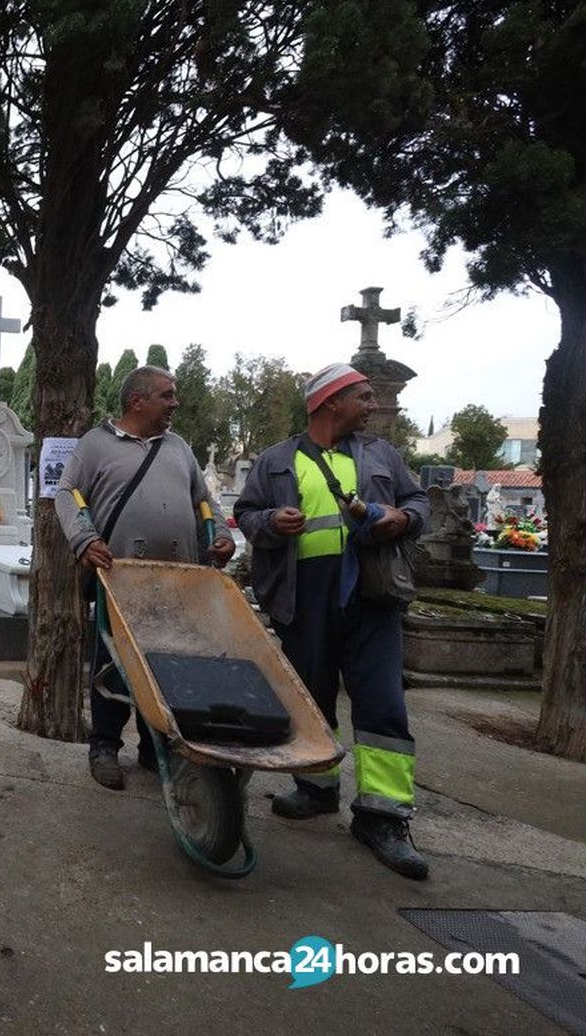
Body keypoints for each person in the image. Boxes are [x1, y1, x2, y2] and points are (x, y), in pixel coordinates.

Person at [235, 364, 430, 879]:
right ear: (329, 402)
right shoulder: (277, 460)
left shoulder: (382, 455)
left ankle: (383, 817)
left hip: (371, 598)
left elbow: (418, 502)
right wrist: (271, 524)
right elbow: (249, 517)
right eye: (362, 397)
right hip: (304, 598)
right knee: (312, 698)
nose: (371, 405)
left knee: (383, 705)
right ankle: (316, 789)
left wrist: (403, 519)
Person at [52, 366, 234, 790]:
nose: (175, 403)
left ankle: (155, 749)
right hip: (121, 579)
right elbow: (66, 493)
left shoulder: (179, 448)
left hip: (177, 579)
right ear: (137, 401)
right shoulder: (95, 445)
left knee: (169, 665)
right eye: (167, 396)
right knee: (113, 664)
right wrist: (83, 539)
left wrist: (222, 536)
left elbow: (204, 501)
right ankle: (104, 746)